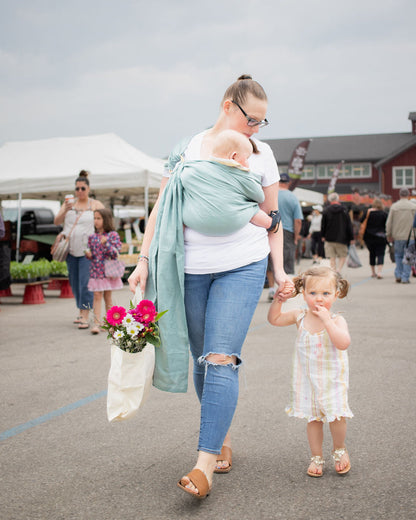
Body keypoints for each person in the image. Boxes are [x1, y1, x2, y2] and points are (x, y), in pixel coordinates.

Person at [128, 74, 293, 499]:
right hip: (189, 269)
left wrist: (281, 270)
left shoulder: (263, 155)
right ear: (226, 105)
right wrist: (143, 261)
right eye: (250, 119)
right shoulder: (186, 149)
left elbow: (273, 220)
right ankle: (221, 435)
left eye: (262, 122)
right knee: (203, 361)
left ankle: (202, 465)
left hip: (243, 265)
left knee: (221, 358)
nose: (255, 129)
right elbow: (161, 209)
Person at [268, 266, 352, 477]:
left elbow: (343, 343)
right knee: (313, 419)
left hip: (332, 381)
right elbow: (274, 320)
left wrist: (326, 321)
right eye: (313, 293)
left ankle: (339, 449)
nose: (319, 299)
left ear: (336, 294)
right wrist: (278, 300)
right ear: (303, 294)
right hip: (308, 382)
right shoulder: (299, 316)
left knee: (336, 418)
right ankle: (316, 456)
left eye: (326, 293)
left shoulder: (337, 320)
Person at [180, 129, 281, 235]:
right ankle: (270, 223)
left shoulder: (196, 168)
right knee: (252, 209)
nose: (247, 162)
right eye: (246, 158)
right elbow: (259, 197)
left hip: (195, 221)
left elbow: (185, 179)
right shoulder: (242, 175)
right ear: (233, 156)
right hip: (231, 221)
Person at [54, 171, 104, 329]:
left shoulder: (94, 205)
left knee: (85, 283)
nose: (80, 191)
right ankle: (81, 310)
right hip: (70, 249)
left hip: (87, 251)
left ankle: (85, 314)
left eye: (83, 188)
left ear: (88, 189)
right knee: (74, 283)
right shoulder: (69, 204)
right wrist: (64, 209)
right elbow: (57, 221)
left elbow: (105, 220)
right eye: (77, 189)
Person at [85, 209, 123, 334]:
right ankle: (96, 323)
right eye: (95, 218)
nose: (96, 221)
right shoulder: (92, 237)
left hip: (108, 271)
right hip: (96, 270)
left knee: (108, 297)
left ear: (105, 220)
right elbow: (93, 254)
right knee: (97, 296)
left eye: (99, 218)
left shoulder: (112, 235)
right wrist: (88, 254)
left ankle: (111, 323)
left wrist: (106, 244)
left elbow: (115, 252)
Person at [385, 188, 416, 284]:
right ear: (408, 194)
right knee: (408, 257)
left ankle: (398, 274)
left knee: (398, 255)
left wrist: (388, 234)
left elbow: (389, 222)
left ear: (399, 194)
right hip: (410, 236)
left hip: (397, 235)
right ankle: (405, 277)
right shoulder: (413, 206)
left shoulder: (394, 207)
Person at [321, 193, 354, 273]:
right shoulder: (344, 210)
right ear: (338, 199)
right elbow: (349, 224)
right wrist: (351, 237)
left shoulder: (326, 210)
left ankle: (333, 270)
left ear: (329, 200)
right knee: (342, 255)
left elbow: (323, 224)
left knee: (332, 257)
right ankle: (339, 269)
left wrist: (323, 235)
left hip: (329, 237)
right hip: (342, 237)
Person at [277, 172, 303, 274]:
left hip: (271, 229)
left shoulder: (271, 194)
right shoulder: (293, 198)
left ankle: (271, 286)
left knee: (272, 259)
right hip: (287, 231)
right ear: (289, 183)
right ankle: (287, 287)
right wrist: (296, 237)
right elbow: (298, 221)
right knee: (288, 260)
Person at [361, 199, 388, 279]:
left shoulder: (368, 213)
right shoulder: (384, 214)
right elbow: (387, 224)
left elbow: (361, 221)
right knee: (380, 254)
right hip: (381, 236)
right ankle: (379, 272)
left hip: (369, 237)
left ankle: (373, 272)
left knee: (372, 253)